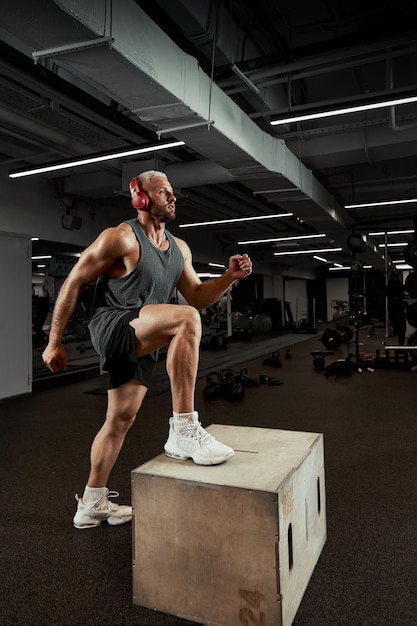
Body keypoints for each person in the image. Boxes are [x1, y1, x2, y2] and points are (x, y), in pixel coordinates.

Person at [42, 170, 253, 530]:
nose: (172, 198)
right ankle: (183, 429)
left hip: (143, 332)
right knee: (185, 320)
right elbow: (75, 280)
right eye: (163, 192)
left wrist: (229, 277)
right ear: (141, 198)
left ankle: (92, 502)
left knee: (119, 420)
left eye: (173, 192)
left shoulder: (180, 248)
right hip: (113, 324)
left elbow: (198, 297)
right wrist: (54, 341)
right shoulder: (121, 237)